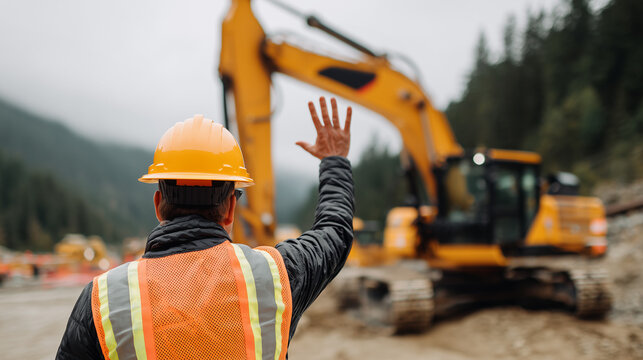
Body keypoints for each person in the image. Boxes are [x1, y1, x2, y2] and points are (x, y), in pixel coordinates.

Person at [56, 96, 354, 360]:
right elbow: (334, 233)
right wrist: (335, 162)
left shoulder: (103, 299)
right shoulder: (276, 277)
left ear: (158, 204)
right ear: (230, 209)